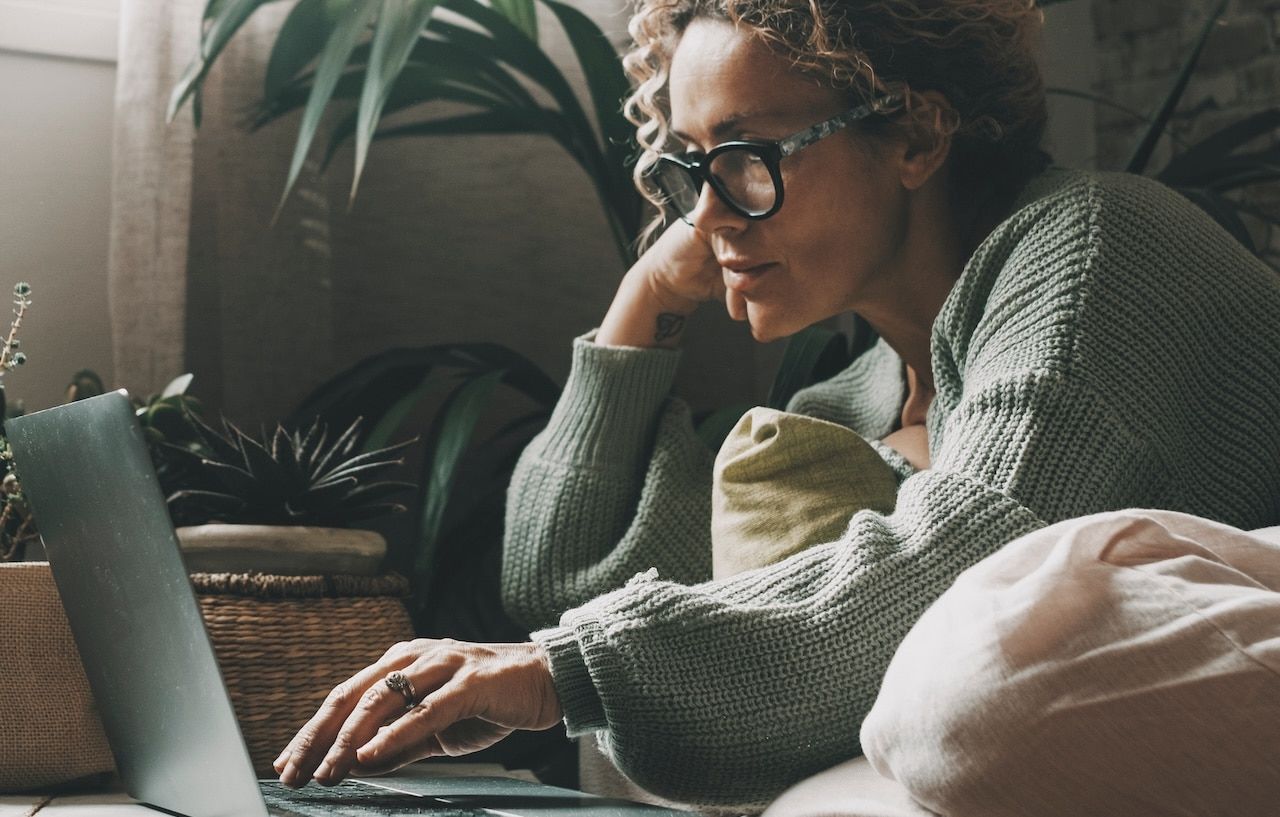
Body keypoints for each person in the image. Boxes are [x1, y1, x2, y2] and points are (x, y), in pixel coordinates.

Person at [273, 0, 1280, 810]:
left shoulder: (1093, 242)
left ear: (917, 134)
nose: (707, 213)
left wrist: (562, 670)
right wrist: (641, 306)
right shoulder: (843, 402)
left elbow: (979, 560)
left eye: (746, 157)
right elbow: (556, 582)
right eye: (686, 167)